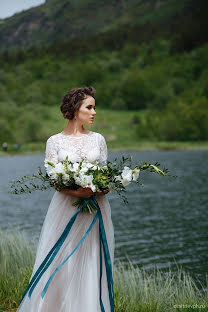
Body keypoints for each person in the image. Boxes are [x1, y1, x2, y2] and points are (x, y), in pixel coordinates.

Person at [17, 86, 115, 312]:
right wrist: (76, 193)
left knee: (91, 257)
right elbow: (54, 180)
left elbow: (104, 174)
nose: (94, 112)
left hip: (96, 208)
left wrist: (102, 188)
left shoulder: (98, 139)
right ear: (74, 109)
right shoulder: (55, 142)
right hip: (66, 207)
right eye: (89, 107)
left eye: (94, 107)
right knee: (60, 256)